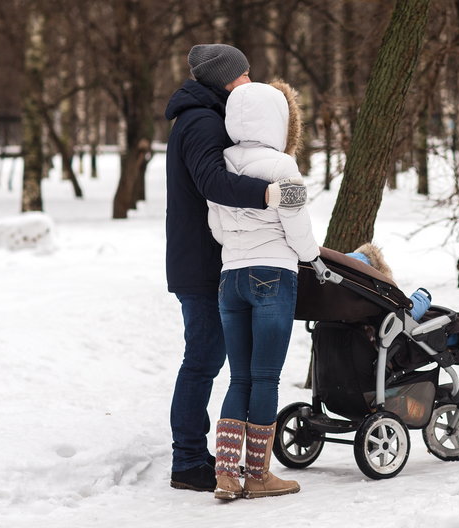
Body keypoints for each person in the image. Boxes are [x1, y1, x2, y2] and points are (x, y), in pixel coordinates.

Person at [164, 44, 298, 492]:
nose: (249, 83)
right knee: (202, 361)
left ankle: (201, 457)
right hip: (204, 262)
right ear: (226, 79)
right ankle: (187, 461)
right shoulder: (202, 121)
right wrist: (269, 195)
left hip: (210, 258)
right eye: (244, 75)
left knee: (207, 360)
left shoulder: (203, 117)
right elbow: (212, 183)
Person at [208, 81, 321, 500]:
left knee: (238, 378)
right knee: (265, 379)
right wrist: (312, 257)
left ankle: (225, 476)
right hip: (273, 275)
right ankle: (257, 475)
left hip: (230, 278)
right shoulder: (282, 167)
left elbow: (216, 228)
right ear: (278, 119)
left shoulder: (220, 165)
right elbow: (298, 228)